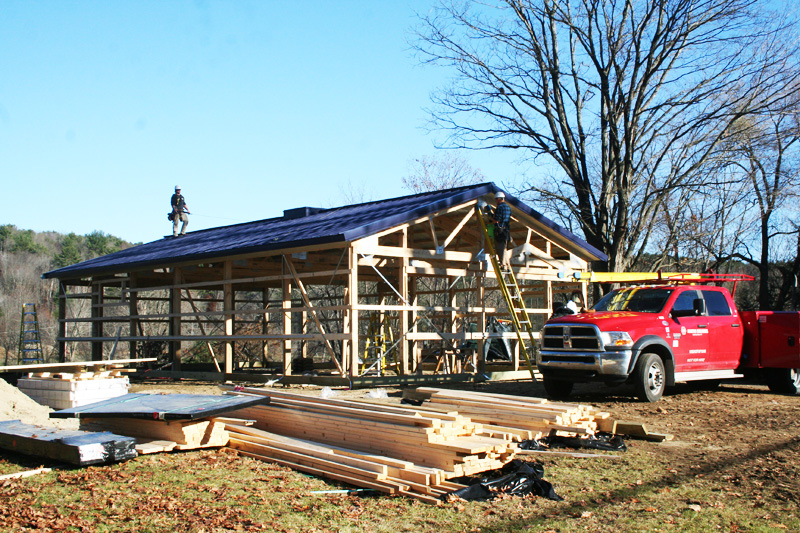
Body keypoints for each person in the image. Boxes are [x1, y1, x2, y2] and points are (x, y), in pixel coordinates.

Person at [491, 191, 512, 269]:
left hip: (500, 231)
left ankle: (503, 264)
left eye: (496, 199)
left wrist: (491, 217)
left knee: (500, 248)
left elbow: (497, 219)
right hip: (506, 231)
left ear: (499, 199)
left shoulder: (499, 207)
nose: (496, 201)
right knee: (504, 248)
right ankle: (506, 264)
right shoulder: (508, 208)